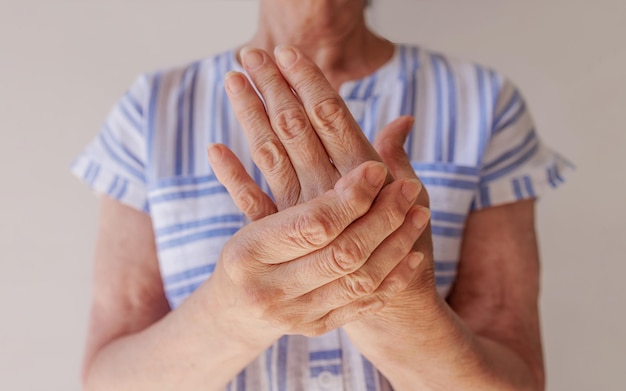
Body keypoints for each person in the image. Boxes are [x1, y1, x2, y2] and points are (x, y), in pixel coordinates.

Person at [71, 0, 571, 389]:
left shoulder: (484, 104)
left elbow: (516, 381)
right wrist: (235, 310)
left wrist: (397, 299)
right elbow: (108, 379)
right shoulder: (152, 111)